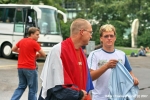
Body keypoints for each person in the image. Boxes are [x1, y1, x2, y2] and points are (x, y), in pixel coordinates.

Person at [38, 18, 94, 100]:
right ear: (82, 32)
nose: (91, 36)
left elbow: (84, 80)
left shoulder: (81, 52)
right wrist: (78, 95)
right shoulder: (58, 50)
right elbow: (56, 86)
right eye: (90, 32)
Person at [87, 24, 139, 100]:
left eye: (111, 36)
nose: (109, 38)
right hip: (100, 97)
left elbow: (130, 73)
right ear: (101, 38)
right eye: (106, 36)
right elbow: (90, 77)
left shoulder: (121, 54)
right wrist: (106, 66)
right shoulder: (94, 54)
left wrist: (134, 79)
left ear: (115, 38)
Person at [11, 27, 46, 100]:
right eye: (37, 34)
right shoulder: (34, 43)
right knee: (33, 89)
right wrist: (38, 55)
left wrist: (22, 52)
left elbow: (13, 49)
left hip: (20, 68)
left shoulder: (22, 40)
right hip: (30, 68)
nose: (38, 36)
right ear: (31, 34)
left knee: (21, 86)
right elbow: (43, 54)